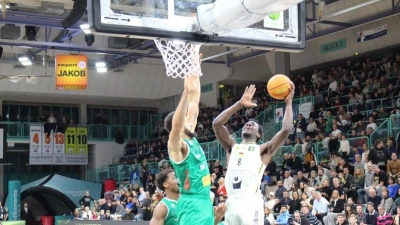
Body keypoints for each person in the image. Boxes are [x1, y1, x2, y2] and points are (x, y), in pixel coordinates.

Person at [212, 83, 295, 225]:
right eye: (247, 124)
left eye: (253, 125)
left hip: (250, 202)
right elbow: (217, 124)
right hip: (231, 202)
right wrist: (239, 104)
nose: (248, 125)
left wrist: (288, 102)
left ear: (258, 135)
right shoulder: (232, 147)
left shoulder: (263, 149)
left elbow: (286, 129)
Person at [163, 56, 213, 225]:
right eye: (186, 119)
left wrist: (194, 71)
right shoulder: (177, 147)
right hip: (192, 203)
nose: (190, 119)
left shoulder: (191, 137)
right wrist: (185, 93)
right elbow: (176, 126)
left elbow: (194, 101)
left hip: (205, 199)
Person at [150, 169, 227, 225]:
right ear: (165, 184)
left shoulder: (189, 202)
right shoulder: (162, 207)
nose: (179, 180)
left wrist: (218, 217)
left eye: (178, 177)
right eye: (174, 178)